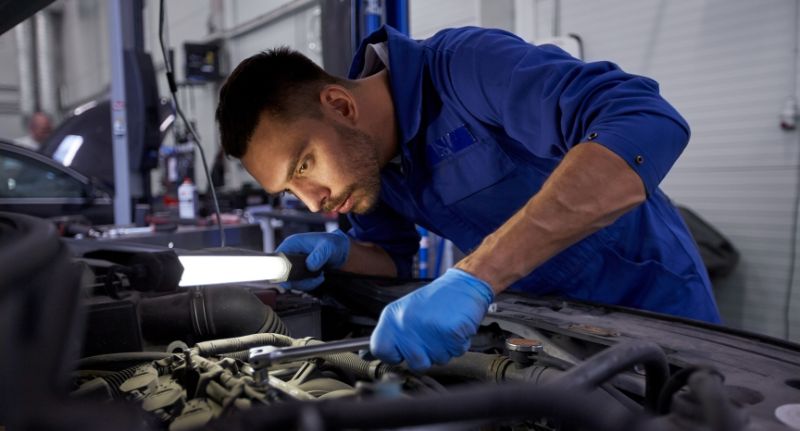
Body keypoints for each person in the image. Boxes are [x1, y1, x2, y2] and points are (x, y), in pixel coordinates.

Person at [215, 26, 721, 370]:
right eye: (289, 188)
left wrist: (476, 277)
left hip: (656, 311)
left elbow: (645, 121)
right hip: (542, 333)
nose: (311, 201)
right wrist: (343, 254)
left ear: (340, 105)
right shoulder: (367, 170)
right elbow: (393, 257)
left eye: (303, 166)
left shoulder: (467, 67)